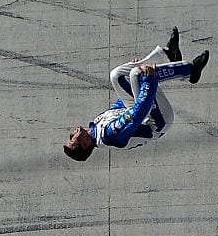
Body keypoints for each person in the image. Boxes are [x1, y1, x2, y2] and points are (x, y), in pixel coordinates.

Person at [63, 27, 209, 161]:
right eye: (72, 139)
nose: (71, 134)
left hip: (144, 112)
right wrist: (147, 81)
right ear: (85, 144)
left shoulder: (97, 123)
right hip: (157, 121)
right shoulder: (110, 134)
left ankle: (168, 55)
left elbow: (122, 103)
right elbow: (139, 112)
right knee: (138, 74)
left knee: (117, 75)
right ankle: (190, 71)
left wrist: (132, 77)